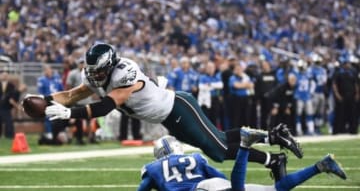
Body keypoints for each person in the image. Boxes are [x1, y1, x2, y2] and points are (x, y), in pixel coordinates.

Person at [40, 43, 302, 173]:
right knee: (220, 141)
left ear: (110, 66)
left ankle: (273, 155)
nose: (94, 76)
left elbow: (107, 105)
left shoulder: (124, 73)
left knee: (219, 151)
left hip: (177, 107)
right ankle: (273, 140)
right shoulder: (96, 77)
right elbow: (70, 94)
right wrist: (42, 100)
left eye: (98, 71)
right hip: (168, 116)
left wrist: (70, 114)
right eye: (91, 71)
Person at [139, 133, 346, 191]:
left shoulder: (152, 168)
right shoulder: (195, 158)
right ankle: (322, 165)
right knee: (276, 190)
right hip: (211, 186)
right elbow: (219, 178)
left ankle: (245, 145)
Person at [37, 64, 64, 141]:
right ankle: (49, 133)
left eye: (48, 69)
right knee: (48, 117)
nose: (47, 71)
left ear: (51, 70)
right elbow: (40, 92)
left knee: (60, 116)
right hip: (47, 101)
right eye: (46, 70)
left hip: (57, 101)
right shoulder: (41, 80)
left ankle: (59, 132)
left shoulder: (57, 78)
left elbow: (61, 89)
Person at [0, 69, 18, 139]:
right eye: (3, 75)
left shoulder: (11, 86)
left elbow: (13, 96)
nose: (4, 77)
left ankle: (9, 136)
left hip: (6, 107)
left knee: (9, 122)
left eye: (6, 75)